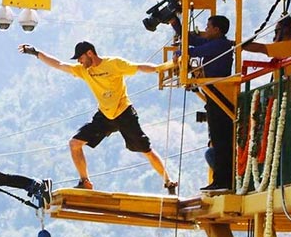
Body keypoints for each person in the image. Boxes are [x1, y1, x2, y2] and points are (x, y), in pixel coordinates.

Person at [18, 41, 178, 195]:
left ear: (90, 53)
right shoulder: (83, 71)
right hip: (105, 116)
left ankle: (168, 181)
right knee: (74, 144)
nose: (79, 62)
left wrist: (164, 66)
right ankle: (85, 182)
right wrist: (35, 52)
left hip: (124, 113)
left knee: (146, 150)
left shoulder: (113, 63)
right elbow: (59, 64)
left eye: (80, 58)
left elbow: (140, 67)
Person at [169, 15, 234, 192]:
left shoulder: (221, 45)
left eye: (208, 27)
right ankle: (220, 180)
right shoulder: (216, 44)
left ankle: (223, 180)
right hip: (214, 95)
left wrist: (181, 52)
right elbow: (195, 42)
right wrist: (176, 25)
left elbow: (195, 49)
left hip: (221, 94)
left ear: (217, 30)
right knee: (217, 140)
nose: (206, 30)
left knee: (221, 140)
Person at [243, 15, 291, 80]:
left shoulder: (284, 46)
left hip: (286, 88)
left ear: (286, 30)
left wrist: (237, 44)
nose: (275, 35)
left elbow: (259, 48)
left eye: (277, 31)